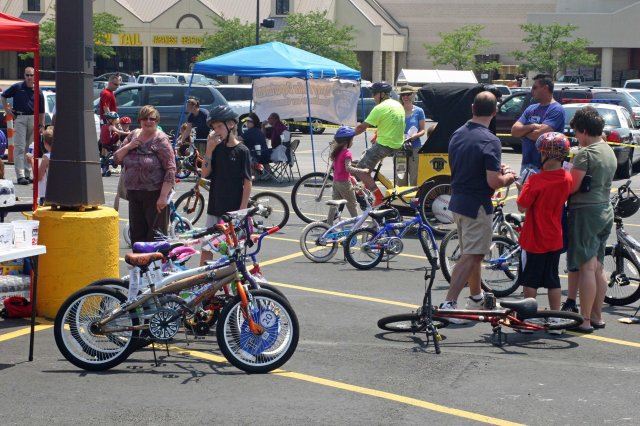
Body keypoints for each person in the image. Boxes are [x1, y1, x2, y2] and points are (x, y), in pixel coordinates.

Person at [440, 91, 517, 318]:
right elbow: (493, 181)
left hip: (458, 201)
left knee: (472, 253)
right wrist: (508, 178)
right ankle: (449, 303)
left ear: (473, 108)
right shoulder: (490, 140)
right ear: (494, 112)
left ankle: (476, 297)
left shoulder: (458, 133)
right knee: (472, 255)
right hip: (477, 204)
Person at [564, 106, 617, 332]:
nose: (576, 137)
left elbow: (572, 186)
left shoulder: (586, 154)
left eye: (576, 132)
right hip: (604, 208)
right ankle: (597, 316)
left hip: (586, 212)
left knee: (586, 267)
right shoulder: (607, 149)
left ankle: (584, 320)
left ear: (584, 130)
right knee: (597, 266)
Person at [515, 132, 572, 326]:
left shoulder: (535, 181)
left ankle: (528, 320)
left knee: (530, 281)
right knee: (552, 279)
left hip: (534, 238)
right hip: (554, 236)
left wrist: (521, 188)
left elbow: (522, 206)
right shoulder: (566, 177)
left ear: (546, 155)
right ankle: (556, 318)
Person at [114, 106, 175, 244]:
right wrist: (129, 146)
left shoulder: (161, 140)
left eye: (152, 119)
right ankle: (140, 265)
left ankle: (156, 265)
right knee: (137, 236)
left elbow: (171, 169)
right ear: (139, 120)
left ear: (157, 121)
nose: (148, 121)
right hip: (134, 193)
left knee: (155, 237)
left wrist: (163, 197)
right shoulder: (133, 135)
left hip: (154, 194)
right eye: (144, 118)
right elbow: (117, 158)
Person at [200, 106, 252, 265]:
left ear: (230, 124)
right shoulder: (215, 148)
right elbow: (204, 173)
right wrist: (209, 150)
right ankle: (203, 285)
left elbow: (247, 182)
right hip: (215, 207)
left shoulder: (242, 150)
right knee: (207, 248)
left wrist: (242, 212)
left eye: (219, 126)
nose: (216, 131)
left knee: (232, 252)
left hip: (233, 212)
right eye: (214, 128)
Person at [353, 81, 405, 206]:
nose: (373, 97)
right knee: (366, 163)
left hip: (384, 145)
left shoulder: (380, 108)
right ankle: (363, 190)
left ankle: (378, 197)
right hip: (397, 144)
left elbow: (362, 128)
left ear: (382, 94)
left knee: (361, 170)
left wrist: (347, 136)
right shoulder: (397, 105)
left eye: (374, 94)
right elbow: (392, 124)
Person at [510, 74, 565, 172]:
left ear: (545, 88)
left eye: (535, 87)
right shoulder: (531, 108)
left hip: (545, 167)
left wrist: (523, 132)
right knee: (523, 187)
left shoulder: (556, 109)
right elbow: (514, 131)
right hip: (527, 164)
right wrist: (533, 126)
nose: (532, 91)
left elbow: (539, 136)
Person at [1, 67, 45, 185]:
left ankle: (27, 174)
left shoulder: (38, 91)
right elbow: (3, 96)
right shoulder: (17, 87)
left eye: (31, 75)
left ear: (35, 76)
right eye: (27, 75)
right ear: (24, 76)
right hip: (20, 118)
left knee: (29, 148)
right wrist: (7, 110)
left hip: (33, 119)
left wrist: (42, 125)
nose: (29, 77)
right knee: (20, 147)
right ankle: (20, 176)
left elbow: (42, 111)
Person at [327, 126, 368, 221]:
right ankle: (357, 227)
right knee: (352, 204)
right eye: (352, 140)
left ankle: (328, 225)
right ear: (347, 141)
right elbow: (348, 168)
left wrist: (352, 179)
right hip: (344, 183)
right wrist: (363, 171)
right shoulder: (347, 153)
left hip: (336, 181)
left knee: (334, 204)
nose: (352, 142)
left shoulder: (337, 152)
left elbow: (340, 168)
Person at [399, 85, 426, 186]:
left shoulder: (419, 111)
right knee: (400, 176)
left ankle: (414, 200)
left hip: (415, 147)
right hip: (400, 147)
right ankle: (400, 201)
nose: (405, 96)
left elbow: (423, 130)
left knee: (414, 176)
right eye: (403, 94)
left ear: (413, 95)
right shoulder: (397, 110)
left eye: (408, 94)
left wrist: (415, 136)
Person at [28, 127, 54, 205]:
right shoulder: (63, 155)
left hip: (46, 194)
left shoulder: (46, 157)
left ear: (45, 143)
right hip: (59, 193)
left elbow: (38, 177)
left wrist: (31, 161)